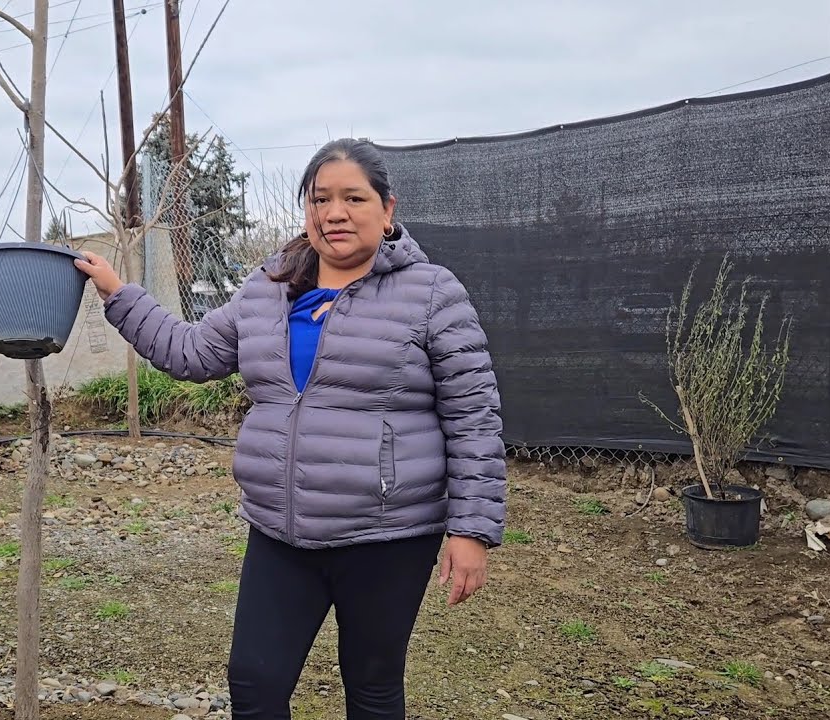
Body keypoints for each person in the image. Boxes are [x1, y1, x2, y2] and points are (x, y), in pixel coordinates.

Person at [73, 138, 507, 720]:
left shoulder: (431, 293)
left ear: (387, 209)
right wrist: (117, 292)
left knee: (372, 686)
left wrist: (471, 530)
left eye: (353, 198)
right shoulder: (268, 288)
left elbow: (473, 416)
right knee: (254, 684)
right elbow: (190, 353)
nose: (334, 213)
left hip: (386, 534)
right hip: (281, 529)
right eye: (320, 199)